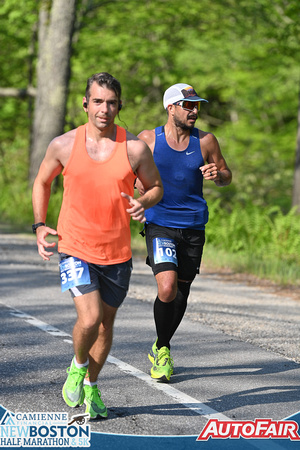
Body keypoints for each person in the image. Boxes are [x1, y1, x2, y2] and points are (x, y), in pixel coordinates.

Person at [32, 72, 163, 418]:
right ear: (85, 103)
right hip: (74, 245)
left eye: (111, 103)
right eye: (98, 101)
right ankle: (77, 366)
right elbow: (42, 182)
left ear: (119, 106)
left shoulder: (134, 148)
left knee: (106, 326)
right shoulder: (63, 145)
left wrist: (144, 202)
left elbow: (155, 187)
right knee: (89, 319)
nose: (104, 109)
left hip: (117, 253)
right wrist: (40, 224)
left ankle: (91, 386)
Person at [136, 83, 232, 382]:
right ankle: (163, 349)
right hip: (160, 222)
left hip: (193, 225)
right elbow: (127, 177)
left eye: (196, 106)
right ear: (170, 107)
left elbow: (226, 176)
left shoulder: (205, 141)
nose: (194, 111)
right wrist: (135, 191)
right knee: (167, 287)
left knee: (181, 292)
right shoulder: (148, 139)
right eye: (187, 106)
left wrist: (218, 175)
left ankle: (160, 344)